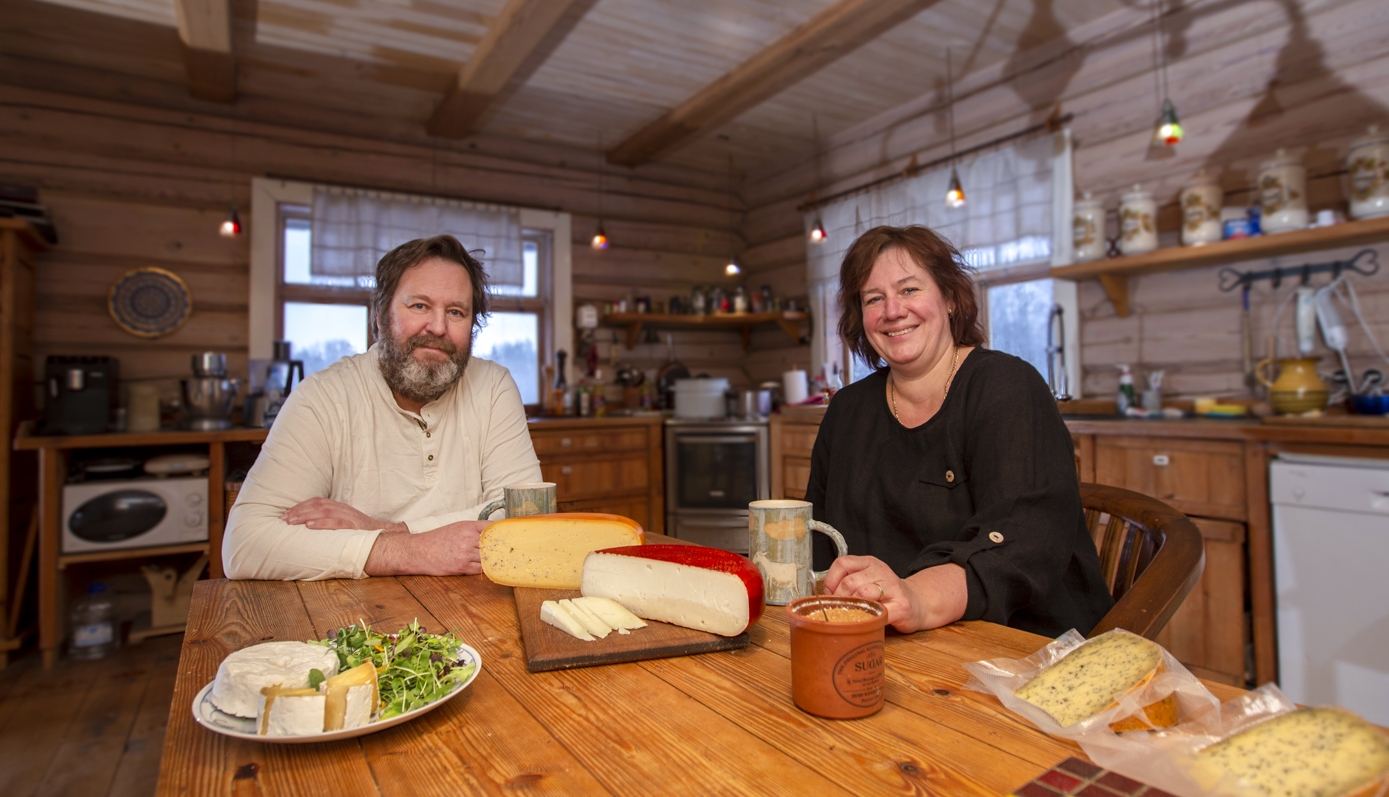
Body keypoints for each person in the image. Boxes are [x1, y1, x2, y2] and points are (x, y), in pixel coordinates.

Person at [807, 225, 1113, 637]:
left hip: (1022, 645)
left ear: (950, 298)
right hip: (885, 641)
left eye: (910, 290)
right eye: (873, 299)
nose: (892, 310)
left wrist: (914, 597)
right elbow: (818, 539)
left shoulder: (1008, 387)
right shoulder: (846, 410)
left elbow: (1024, 542)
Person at [223, 235, 542, 580]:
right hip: (351, 620)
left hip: (474, 609)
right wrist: (408, 551)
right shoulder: (323, 397)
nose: (437, 327)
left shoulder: (493, 386)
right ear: (380, 316)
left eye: (455, 312)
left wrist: (389, 530)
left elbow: (525, 517)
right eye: (419, 306)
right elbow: (244, 544)